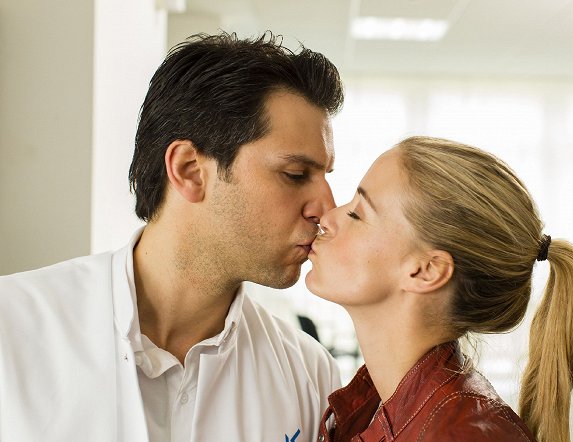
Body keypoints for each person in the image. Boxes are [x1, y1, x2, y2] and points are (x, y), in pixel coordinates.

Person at [0, 32, 344, 441]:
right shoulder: (12, 328)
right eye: (295, 175)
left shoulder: (310, 374)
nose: (326, 208)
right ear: (189, 170)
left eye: (325, 177)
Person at [306, 136, 573, 442]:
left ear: (427, 270)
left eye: (357, 213)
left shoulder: (464, 434)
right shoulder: (373, 408)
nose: (327, 218)